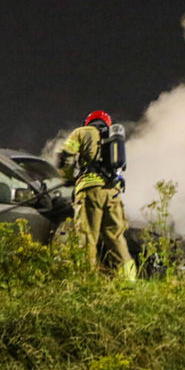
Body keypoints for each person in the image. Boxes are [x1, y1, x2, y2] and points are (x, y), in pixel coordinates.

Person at [57, 110, 137, 281]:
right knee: (116, 237)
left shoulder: (81, 132)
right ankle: (128, 281)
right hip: (112, 193)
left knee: (87, 237)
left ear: (89, 122)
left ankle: (86, 281)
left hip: (90, 191)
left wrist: (68, 178)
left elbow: (66, 157)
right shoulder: (113, 140)